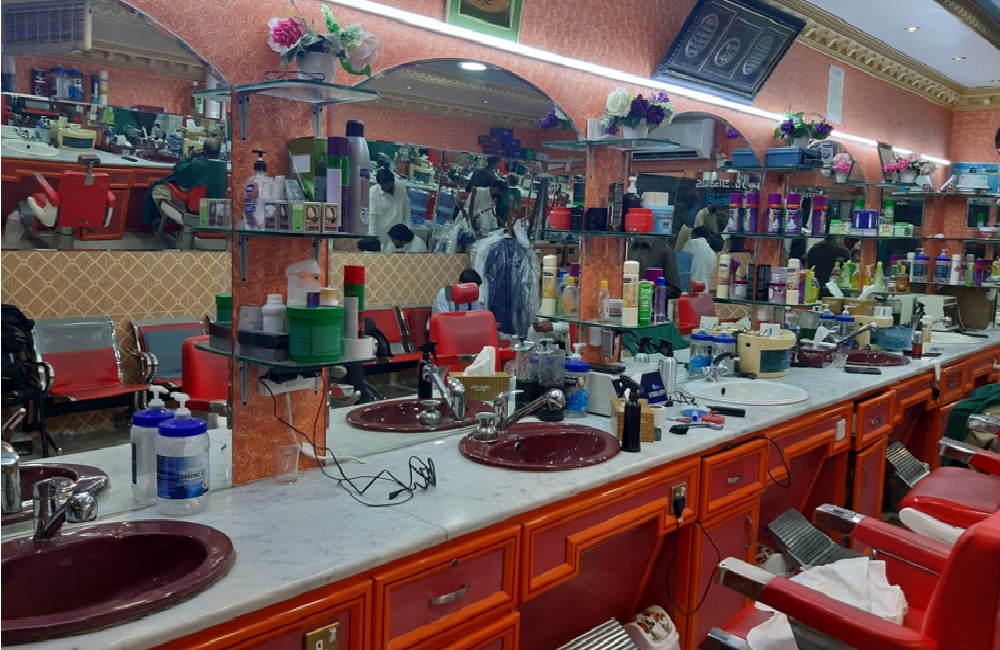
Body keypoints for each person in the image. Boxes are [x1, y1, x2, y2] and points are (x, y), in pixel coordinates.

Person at [142, 137, 226, 227]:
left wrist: (190, 156)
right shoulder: (223, 167)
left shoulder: (198, 165)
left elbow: (179, 171)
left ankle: (173, 221)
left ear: (204, 151)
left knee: (158, 188)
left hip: (194, 206)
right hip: (213, 210)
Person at [368, 168, 410, 249]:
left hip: (399, 234)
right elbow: (372, 218)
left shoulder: (401, 187)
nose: (387, 189)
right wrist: (373, 239)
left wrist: (408, 228)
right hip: (382, 234)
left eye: (389, 185)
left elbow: (406, 208)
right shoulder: (373, 193)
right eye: (384, 186)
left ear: (393, 181)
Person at [683, 226, 718, 291]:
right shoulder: (712, 253)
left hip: (690, 287)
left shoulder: (692, 243)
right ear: (708, 238)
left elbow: (683, 263)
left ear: (693, 234)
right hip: (704, 289)